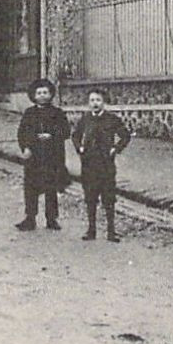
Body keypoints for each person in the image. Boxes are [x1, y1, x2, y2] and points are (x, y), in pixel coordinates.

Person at [72, 88, 132, 241]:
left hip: (106, 165)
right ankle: (91, 230)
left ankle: (111, 232)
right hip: (89, 164)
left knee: (108, 198)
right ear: (88, 103)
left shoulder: (112, 119)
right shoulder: (85, 119)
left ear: (104, 102)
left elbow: (125, 136)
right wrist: (79, 148)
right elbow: (75, 135)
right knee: (90, 197)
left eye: (98, 100)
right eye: (92, 100)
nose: (95, 104)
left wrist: (116, 149)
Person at [16, 78, 71, 232]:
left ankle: (51, 219)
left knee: (51, 187)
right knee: (31, 187)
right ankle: (30, 218)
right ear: (33, 95)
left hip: (52, 155)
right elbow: (22, 133)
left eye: (45, 92)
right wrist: (26, 147)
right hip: (34, 156)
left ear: (51, 94)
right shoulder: (29, 113)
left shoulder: (57, 113)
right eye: (39, 93)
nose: (42, 95)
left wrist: (52, 135)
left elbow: (66, 131)